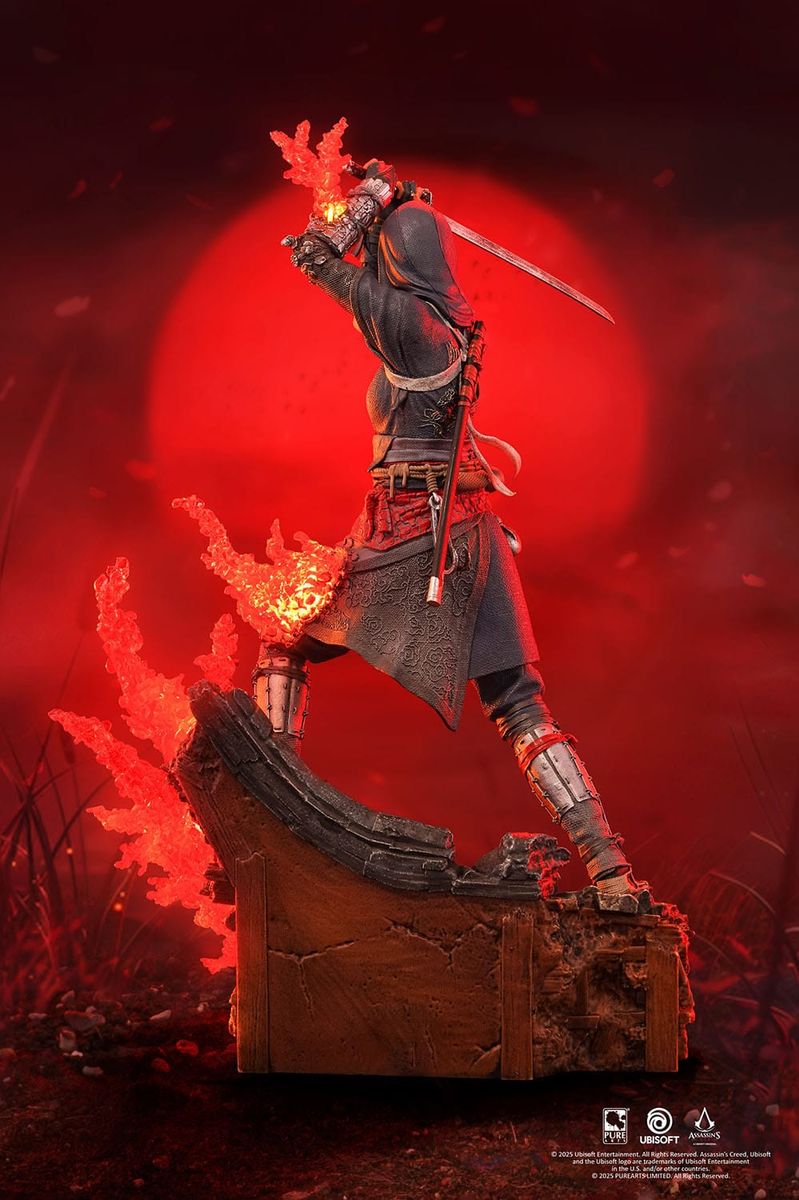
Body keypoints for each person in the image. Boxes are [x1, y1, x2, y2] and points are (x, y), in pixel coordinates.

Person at [275, 161, 646, 897]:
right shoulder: (445, 323)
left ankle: (274, 804)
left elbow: (312, 256)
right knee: (520, 705)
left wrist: (369, 200)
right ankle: (610, 867)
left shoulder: (412, 328)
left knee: (283, 642)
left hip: (413, 530)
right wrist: (386, 212)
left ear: (399, 257)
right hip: (466, 526)